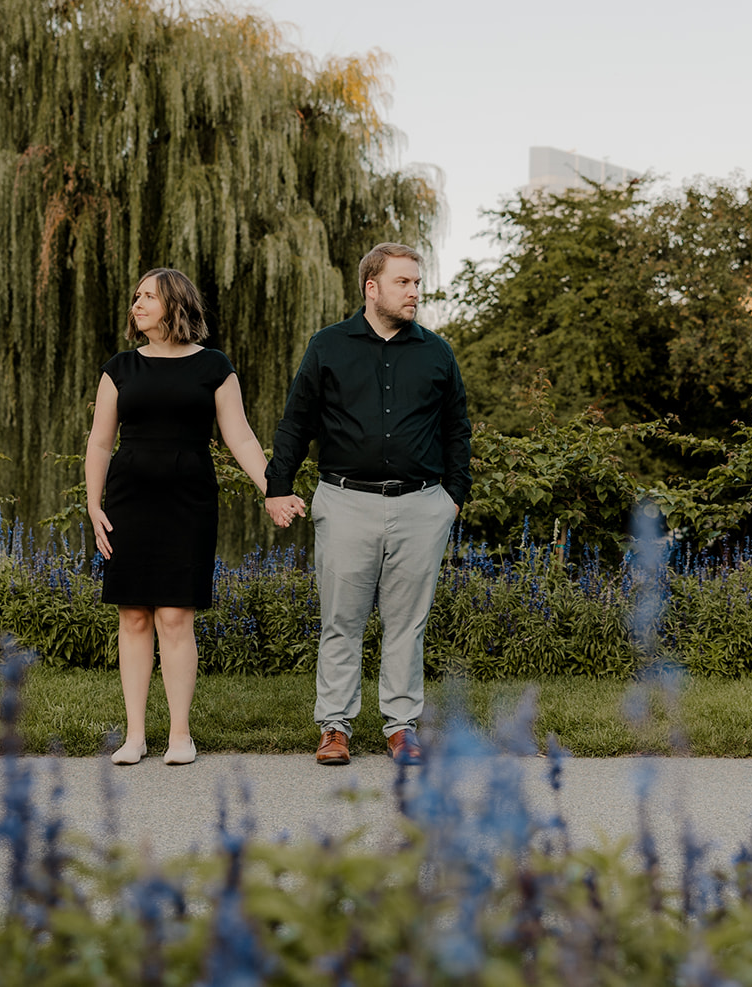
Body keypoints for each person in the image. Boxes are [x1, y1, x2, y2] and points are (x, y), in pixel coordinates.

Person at [264, 242, 471, 766]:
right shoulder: (328, 346)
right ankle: (334, 726)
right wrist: (276, 485)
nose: (415, 293)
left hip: (423, 506)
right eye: (404, 283)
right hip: (346, 501)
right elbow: (297, 422)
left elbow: (456, 431)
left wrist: (453, 498)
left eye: (417, 283)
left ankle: (401, 728)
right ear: (371, 287)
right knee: (342, 619)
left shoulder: (436, 352)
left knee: (407, 623)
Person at [86, 268, 270, 766]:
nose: (137, 303)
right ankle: (136, 735)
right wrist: (94, 505)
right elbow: (101, 441)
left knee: (174, 614)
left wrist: (273, 487)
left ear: (175, 304)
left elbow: (242, 437)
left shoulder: (214, 366)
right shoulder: (119, 368)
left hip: (188, 500)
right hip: (128, 499)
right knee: (133, 614)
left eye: (149, 296)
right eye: (135, 296)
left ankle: (181, 735)